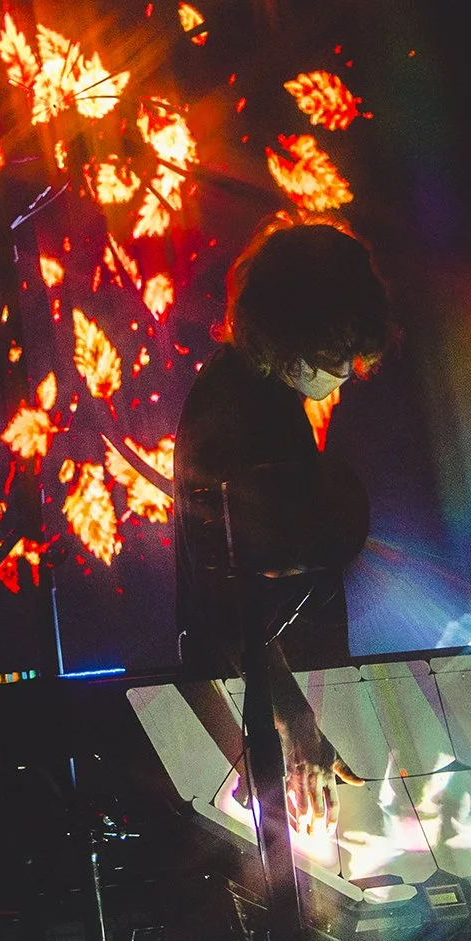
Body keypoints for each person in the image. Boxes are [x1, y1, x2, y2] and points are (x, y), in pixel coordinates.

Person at [173, 216, 397, 833]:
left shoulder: (259, 396)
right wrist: (293, 719)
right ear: (298, 335)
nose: (350, 370)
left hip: (273, 698)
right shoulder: (237, 416)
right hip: (256, 704)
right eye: (338, 353)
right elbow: (226, 597)